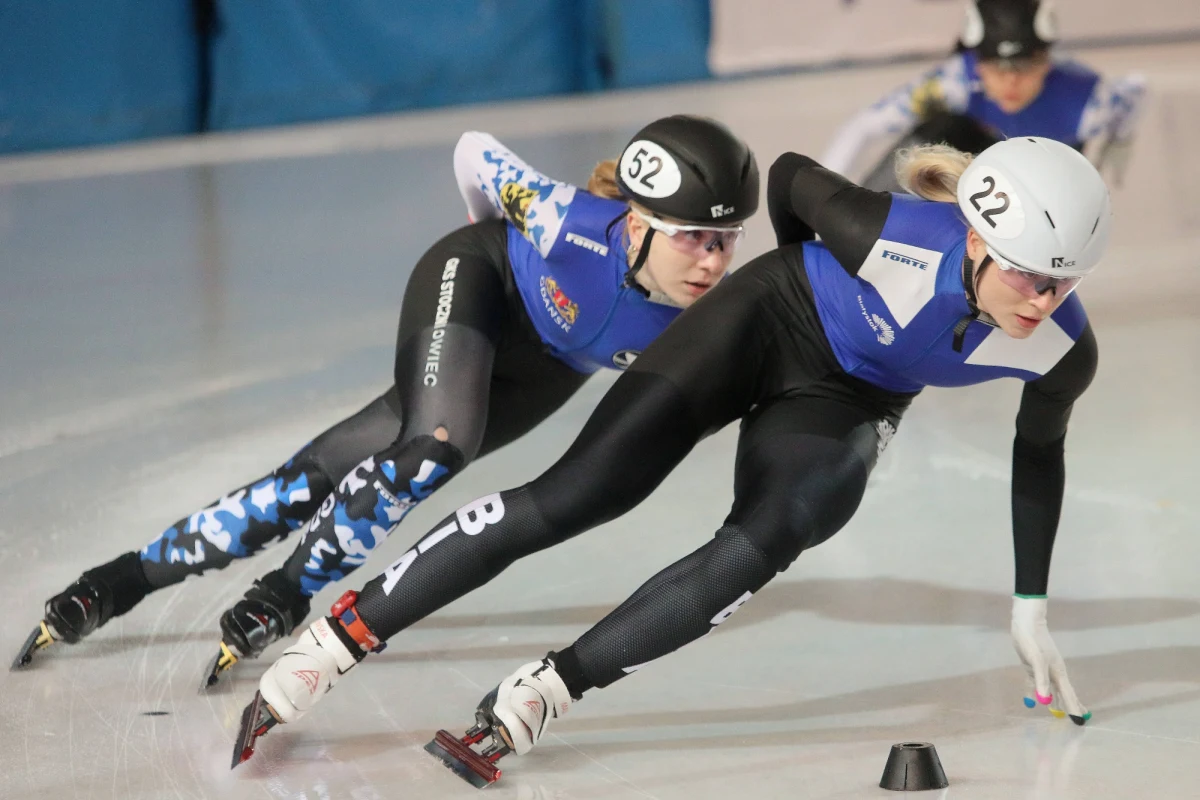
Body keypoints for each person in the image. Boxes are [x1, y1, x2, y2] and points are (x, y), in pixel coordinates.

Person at [240, 135, 1109, 778]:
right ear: (975, 242)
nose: (1044, 302)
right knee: (579, 493)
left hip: (850, 400)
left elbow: (1040, 455)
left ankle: (545, 692)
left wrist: (1029, 605)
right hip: (769, 316)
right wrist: (796, 277)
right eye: (1030, 277)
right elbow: (795, 181)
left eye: (1064, 283)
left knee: (776, 534)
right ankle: (331, 645)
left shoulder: (1062, 348)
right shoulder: (888, 233)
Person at [12, 117, 760, 688]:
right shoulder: (565, 222)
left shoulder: (706, 321)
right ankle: (285, 593)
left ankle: (115, 581)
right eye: (692, 238)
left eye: (726, 241)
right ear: (636, 223)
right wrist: (489, 235)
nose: (711, 262)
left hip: (548, 368)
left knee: (324, 475)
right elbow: (474, 152)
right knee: (437, 445)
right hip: (481, 282)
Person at [824, 0, 1145, 191]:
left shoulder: (1092, 101)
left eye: (1025, 65)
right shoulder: (956, 80)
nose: (1011, 81)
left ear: (1048, 61)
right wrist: (834, 203)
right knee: (936, 133)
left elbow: (1134, 91)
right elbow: (863, 127)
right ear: (976, 61)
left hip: (1040, 174)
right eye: (996, 67)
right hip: (985, 155)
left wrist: (1121, 142)